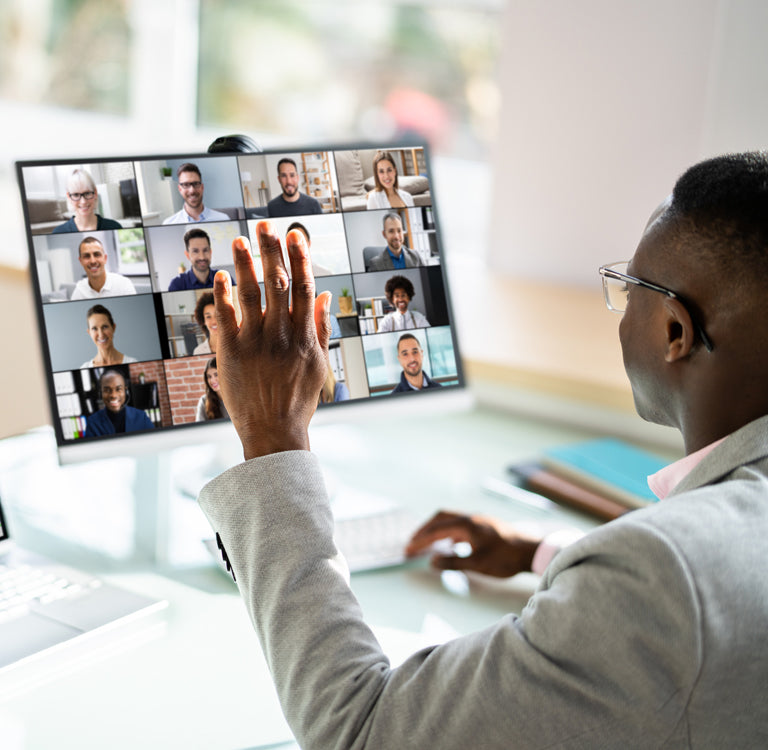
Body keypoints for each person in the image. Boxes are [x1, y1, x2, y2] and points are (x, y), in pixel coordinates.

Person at [198, 152, 768, 748]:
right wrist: (552, 555)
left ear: (675, 331)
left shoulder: (659, 574)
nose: (621, 313)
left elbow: (360, 731)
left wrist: (271, 438)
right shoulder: (690, 561)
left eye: (630, 288)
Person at [84, 369, 154, 437]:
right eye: (107, 390)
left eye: (118, 389)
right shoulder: (93, 422)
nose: (113, 395)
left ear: (126, 391)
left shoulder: (141, 417)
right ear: (101, 393)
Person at [52, 168, 123, 234]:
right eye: (76, 195)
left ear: (95, 193)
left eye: (87, 193)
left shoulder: (114, 227)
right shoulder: (58, 232)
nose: (83, 201)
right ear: (69, 197)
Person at [70, 236, 137, 300]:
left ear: (105, 258)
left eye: (97, 254)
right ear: (81, 261)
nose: (92, 261)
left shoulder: (124, 285)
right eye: (87, 256)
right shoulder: (79, 291)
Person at [162, 163, 229, 224]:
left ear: (202, 187)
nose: (192, 191)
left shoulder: (223, 219)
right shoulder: (169, 223)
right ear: (180, 189)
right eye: (186, 185)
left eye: (196, 184)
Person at [168, 228, 233, 291]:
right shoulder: (177, 285)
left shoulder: (224, 278)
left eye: (205, 250)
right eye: (195, 251)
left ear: (210, 252)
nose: (202, 257)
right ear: (187, 255)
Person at [80, 304, 137, 368]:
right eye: (94, 329)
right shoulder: (85, 367)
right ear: (89, 333)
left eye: (105, 327)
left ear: (113, 328)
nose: (101, 335)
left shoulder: (133, 363)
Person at [195, 357, 229, 421]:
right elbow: (199, 429)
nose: (212, 380)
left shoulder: (238, 398)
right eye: (209, 377)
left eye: (216, 375)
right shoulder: (204, 401)